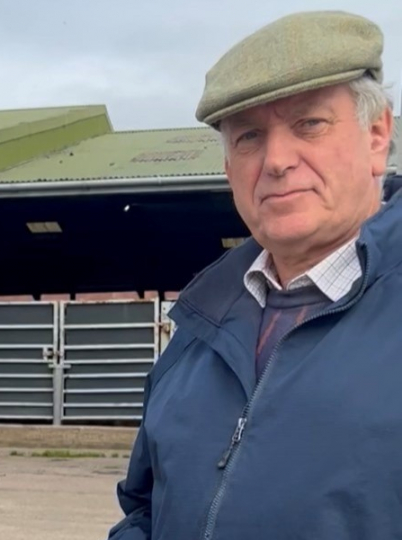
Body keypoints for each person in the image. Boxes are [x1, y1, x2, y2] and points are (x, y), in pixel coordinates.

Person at [109, 10, 399, 540]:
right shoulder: (200, 327)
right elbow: (144, 509)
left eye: (309, 123)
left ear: (377, 134)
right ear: (227, 168)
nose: (277, 160)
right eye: (248, 137)